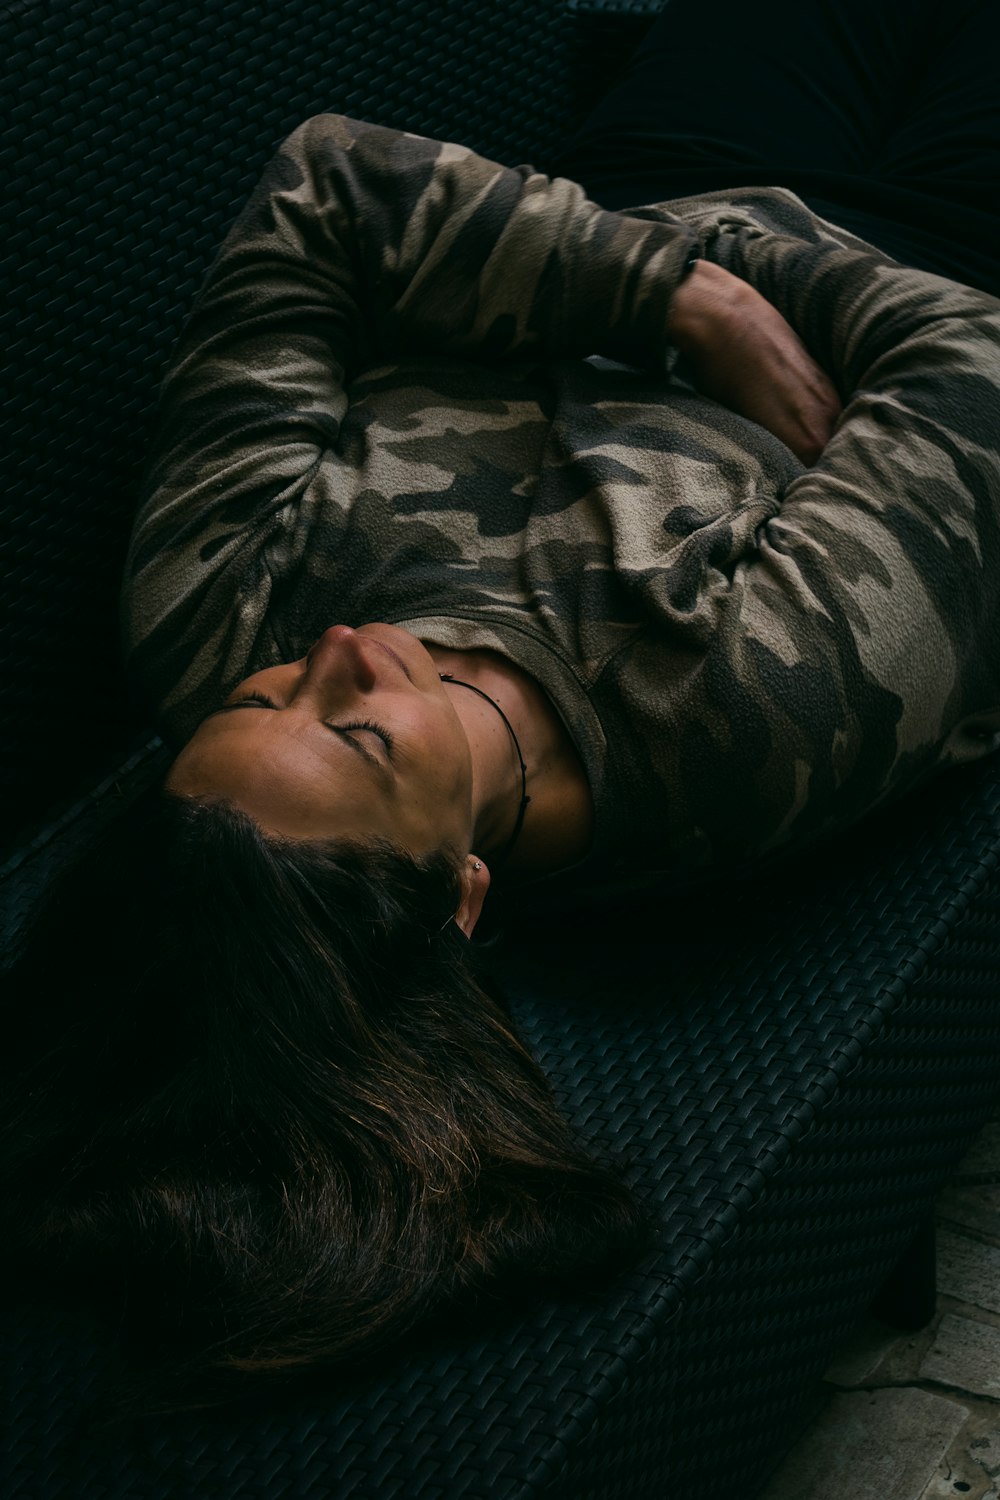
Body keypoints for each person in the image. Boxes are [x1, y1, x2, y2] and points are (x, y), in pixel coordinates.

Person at [4, 0, 1000, 1425]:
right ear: (463, 893)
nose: (337, 649)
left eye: (267, 694)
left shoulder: (209, 614)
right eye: (358, 734)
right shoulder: (733, 722)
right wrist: (602, 274)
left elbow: (327, 187)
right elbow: (973, 369)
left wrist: (680, 294)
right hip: (948, 242)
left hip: (657, 186)